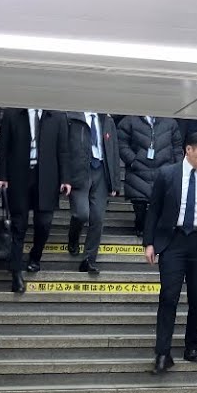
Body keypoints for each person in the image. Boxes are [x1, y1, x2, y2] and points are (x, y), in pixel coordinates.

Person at [144, 132, 197, 374]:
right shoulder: (167, 174)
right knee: (168, 296)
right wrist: (149, 243)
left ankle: (192, 345)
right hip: (173, 241)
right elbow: (154, 210)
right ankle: (162, 352)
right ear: (188, 150)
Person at [0, 108, 71, 294]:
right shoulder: (13, 115)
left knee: (44, 223)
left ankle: (35, 256)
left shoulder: (57, 117)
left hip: (46, 178)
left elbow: (63, 150)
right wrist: (1, 175)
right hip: (19, 177)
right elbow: (3, 147)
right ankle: (16, 273)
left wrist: (65, 179)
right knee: (18, 226)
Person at [66, 111, 122, 274]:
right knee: (81, 214)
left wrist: (115, 182)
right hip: (79, 171)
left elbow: (113, 150)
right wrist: (65, 177)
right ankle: (73, 237)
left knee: (97, 218)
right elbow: (64, 148)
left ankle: (89, 259)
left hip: (101, 171)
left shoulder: (106, 119)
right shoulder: (72, 118)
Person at [117, 115, 184, 237]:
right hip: (138, 169)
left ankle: (154, 227)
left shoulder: (170, 122)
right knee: (139, 202)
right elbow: (121, 144)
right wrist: (133, 160)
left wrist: (178, 166)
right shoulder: (129, 121)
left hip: (164, 168)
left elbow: (177, 147)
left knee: (160, 201)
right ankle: (141, 225)